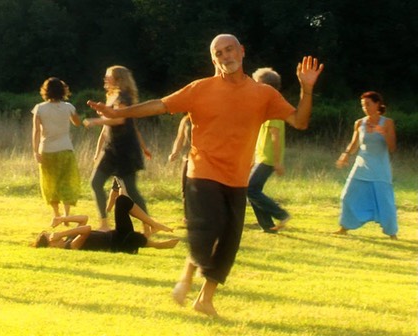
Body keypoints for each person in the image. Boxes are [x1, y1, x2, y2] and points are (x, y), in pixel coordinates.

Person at [88, 34, 324, 317]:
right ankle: (186, 279)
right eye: (219, 53)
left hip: (237, 178)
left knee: (229, 241)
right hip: (202, 171)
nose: (226, 56)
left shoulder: (264, 95)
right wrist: (123, 112)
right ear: (214, 59)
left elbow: (300, 121)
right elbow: (160, 105)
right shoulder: (200, 89)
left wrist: (306, 90)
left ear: (242, 51)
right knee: (208, 225)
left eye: (229, 50)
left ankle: (204, 299)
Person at [82, 65, 149, 232]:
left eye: (108, 76)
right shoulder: (111, 96)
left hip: (125, 150)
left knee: (131, 191)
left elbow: (120, 120)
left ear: (118, 79)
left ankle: (148, 226)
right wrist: (99, 149)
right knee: (96, 183)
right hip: (110, 149)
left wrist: (96, 121)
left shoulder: (124, 97)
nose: (105, 79)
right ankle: (104, 224)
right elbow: (108, 128)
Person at [34, 183, 178, 253]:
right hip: (117, 243)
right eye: (50, 236)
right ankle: (156, 244)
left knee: (121, 200)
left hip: (116, 234)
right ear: (51, 244)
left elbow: (84, 219)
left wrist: (62, 219)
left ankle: (153, 225)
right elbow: (86, 229)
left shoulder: (68, 239)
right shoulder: (70, 246)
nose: (53, 234)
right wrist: (62, 233)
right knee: (129, 238)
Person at [334, 91, 397, 239]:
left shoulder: (387, 123)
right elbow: (354, 143)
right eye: (363, 105)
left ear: (377, 104)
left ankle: (392, 232)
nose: (365, 107)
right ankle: (344, 227)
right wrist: (346, 154)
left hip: (380, 168)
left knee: (385, 201)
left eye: (368, 104)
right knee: (347, 195)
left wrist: (383, 133)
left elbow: (392, 147)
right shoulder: (359, 123)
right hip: (361, 166)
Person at [247, 68, 291, 233]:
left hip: (269, 158)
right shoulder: (264, 106)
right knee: (252, 191)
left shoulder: (274, 107)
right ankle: (268, 226)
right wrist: (253, 156)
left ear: (268, 88)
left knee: (250, 189)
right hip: (261, 157)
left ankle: (281, 214)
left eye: (257, 85)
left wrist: (278, 162)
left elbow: (275, 137)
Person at [32, 77, 81, 220]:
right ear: (63, 90)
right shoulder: (68, 107)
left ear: (45, 91)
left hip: (47, 150)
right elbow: (77, 123)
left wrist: (35, 151)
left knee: (50, 183)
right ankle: (66, 215)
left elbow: (36, 132)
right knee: (66, 181)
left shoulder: (39, 108)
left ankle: (56, 214)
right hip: (66, 149)